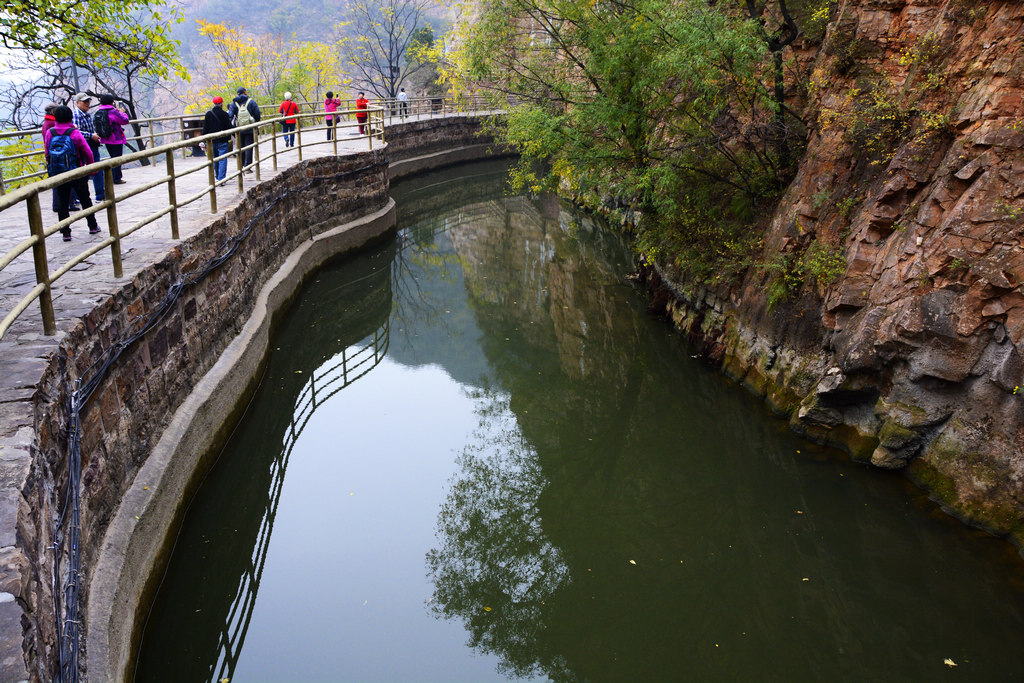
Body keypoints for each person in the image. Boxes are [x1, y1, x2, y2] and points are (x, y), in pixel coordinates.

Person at [44, 106, 100, 241]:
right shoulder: (74, 133)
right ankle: (92, 226)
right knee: (85, 199)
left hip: (60, 174)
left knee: (63, 202)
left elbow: (47, 153)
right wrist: (91, 169)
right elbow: (87, 151)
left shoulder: (50, 133)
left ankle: (66, 232)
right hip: (77, 172)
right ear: (70, 118)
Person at [41, 102, 77, 213]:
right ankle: (65, 204)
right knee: (64, 181)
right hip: (62, 155)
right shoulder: (52, 124)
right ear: (53, 112)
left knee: (57, 182)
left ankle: (63, 204)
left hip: (53, 156)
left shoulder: (46, 123)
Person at [71, 93, 104, 202]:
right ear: (77, 103)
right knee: (87, 169)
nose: (87, 104)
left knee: (97, 168)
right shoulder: (76, 114)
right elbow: (76, 132)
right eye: (84, 102)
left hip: (92, 143)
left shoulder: (86, 114)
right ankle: (82, 197)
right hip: (84, 145)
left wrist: (94, 135)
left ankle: (100, 194)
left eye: (88, 101)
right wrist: (91, 135)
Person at [94, 94, 130, 184]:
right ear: (111, 102)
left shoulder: (99, 111)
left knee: (112, 158)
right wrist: (122, 112)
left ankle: (113, 177)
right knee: (117, 159)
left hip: (105, 138)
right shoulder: (112, 111)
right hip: (116, 139)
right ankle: (116, 178)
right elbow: (124, 120)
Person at [228, 86, 261, 170]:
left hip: (239, 129)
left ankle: (241, 165)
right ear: (245, 92)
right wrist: (255, 123)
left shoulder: (233, 103)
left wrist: (232, 128)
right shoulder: (251, 102)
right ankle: (248, 166)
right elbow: (257, 114)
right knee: (249, 146)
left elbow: (230, 116)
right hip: (250, 128)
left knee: (241, 147)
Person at [202, 96, 233, 181]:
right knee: (222, 159)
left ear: (214, 104)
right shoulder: (225, 114)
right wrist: (235, 134)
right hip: (223, 140)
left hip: (212, 141)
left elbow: (205, 128)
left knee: (215, 159)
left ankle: (217, 176)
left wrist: (203, 140)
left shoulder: (208, 114)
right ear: (222, 104)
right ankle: (221, 178)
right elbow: (229, 127)